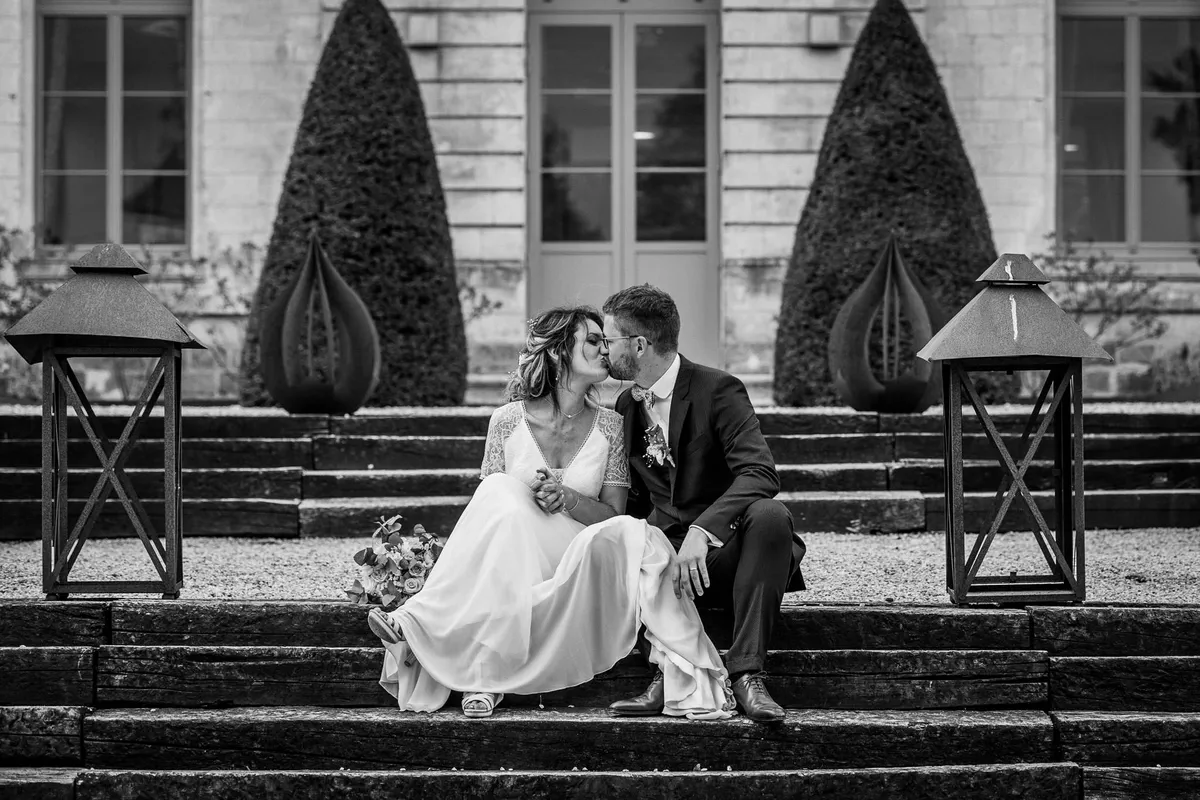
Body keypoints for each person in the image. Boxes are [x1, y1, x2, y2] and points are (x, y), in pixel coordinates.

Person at [366, 305, 734, 720]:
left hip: (576, 556)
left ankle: (423, 627)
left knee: (609, 525)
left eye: (605, 341)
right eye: (592, 341)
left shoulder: (611, 425)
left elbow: (614, 517)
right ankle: (471, 667)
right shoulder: (506, 421)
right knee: (499, 489)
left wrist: (568, 499)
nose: (605, 350)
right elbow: (485, 518)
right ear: (559, 352)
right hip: (515, 557)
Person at [602, 284, 806, 724]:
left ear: (639, 345)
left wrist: (703, 530)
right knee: (624, 542)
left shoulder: (718, 389)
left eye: (608, 339)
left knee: (772, 516)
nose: (603, 349)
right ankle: (667, 670)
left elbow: (760, 472)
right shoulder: (625, 405)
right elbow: (635, 498)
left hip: (726, 553)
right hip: (664, 560)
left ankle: (747, 674)